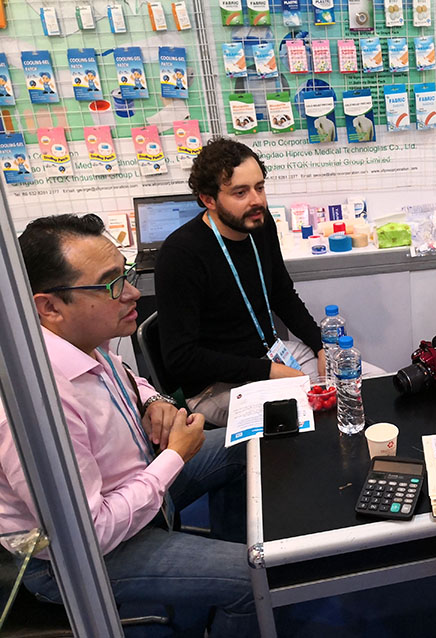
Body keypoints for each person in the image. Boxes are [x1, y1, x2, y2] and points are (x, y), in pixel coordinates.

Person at [0, 214, 260, 636]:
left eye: (127, 275)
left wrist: (153, 400)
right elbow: (92, 533)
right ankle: (230, 582)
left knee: (246, 443)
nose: (133, 292)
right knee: (254, 579)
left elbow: (125, 377)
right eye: (111, 284)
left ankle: (223, 562)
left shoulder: (82, 341)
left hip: (135, 487)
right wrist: (175, 456)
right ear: (49, 307)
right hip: (80, 556)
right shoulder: (38, 401)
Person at [156, 137, 336, 426]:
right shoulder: (181, 254)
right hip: (214, 387)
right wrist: (269, 372)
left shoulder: (259, 225)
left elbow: (282, 294)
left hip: (270, 356)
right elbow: (181, 359)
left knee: (351, 381)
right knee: (309, 410)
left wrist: (320, 346)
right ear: (208, 199)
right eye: (241, 192)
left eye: (259, 187)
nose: (257, 201)